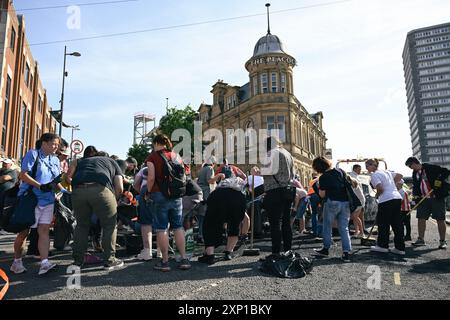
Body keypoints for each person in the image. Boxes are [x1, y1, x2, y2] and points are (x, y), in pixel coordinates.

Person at [10, 133, 62, 275]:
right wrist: (40, 186)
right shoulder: (33, 154)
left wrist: (63, 192)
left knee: (44, 231)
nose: (56, 147)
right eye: (54, 144)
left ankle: (44, 263)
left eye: (57, 145)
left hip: (48, 200)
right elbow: (23, 175)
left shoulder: (56, 160)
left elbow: (56, 181)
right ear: (44, 143)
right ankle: (16, 262)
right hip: (31, 199)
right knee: (24, 232)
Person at [71, 154, 124, 270]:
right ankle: (110, 260)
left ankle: (78, 261)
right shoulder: (112, 162)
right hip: (100, 189)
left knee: (81, 226)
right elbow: (119, 187)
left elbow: (70, 176)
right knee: (109, 225)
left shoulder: (83, 161)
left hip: (77, 190)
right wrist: (115, 200)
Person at [146, 134, 191, 271]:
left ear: (155, 143)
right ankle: (184, 259)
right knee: (178, 226)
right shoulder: (176, 156)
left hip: (159, 194)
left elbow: (151, 177)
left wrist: (148, 191)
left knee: (161, 228)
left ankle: (165, 262)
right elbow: (185, 175)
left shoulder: (152, 157)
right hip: (176, 196)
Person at [198, 165, 247, 264]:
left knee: (209, 225)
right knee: (234, 225)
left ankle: (210, 254)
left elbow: (210, 201)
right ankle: (229, 252)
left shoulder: (221, 183)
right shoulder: (238, 182)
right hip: (238, 197)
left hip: (219, 196)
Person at [312, 156, 352, 262]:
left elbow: (322, 194)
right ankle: (346, 252)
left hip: (332, 202)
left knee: (327, 226)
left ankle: (326, 249)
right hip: (345, 201)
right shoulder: (340, 171)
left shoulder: (324, 177)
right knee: (344, 228)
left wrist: (318, 186)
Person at [261, 136, 295, 256]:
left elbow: (267, 171)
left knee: (275, 223)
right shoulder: (288, 154)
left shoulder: (271, 153)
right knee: (286, 222)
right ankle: (288, 250)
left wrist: (257, 172)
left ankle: (276, 252)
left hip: (274, 190)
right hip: (288, 190)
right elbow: (293, 173)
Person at [405, 156, 449, 249]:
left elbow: (446, 171)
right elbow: (416, 186)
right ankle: (421, 239)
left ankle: (442, 241)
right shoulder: (415, 173)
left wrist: (439, 180)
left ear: (414, 163)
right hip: (423, 199)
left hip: (436, 197)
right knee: (421, 218)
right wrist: (416, 196)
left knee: (440, 219)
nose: (410, 168)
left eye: (410, 166)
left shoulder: (429, 167)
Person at [365, 159, 405, 255]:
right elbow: (400, 175)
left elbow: (380, 188)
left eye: (367, 166)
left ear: (372, 165)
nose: (366, 168)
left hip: (386, 200)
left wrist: (377, 195)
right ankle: (400, 248)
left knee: (383, 223)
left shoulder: (374, 175)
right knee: (397, 224)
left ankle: (382, 246)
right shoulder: (386, 172)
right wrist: (392, 184)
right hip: (396, 198)